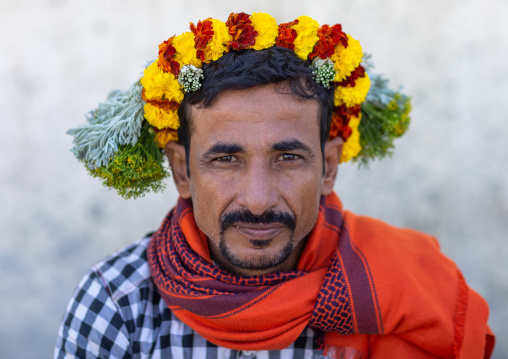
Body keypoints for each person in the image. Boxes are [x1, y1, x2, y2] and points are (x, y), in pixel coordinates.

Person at [57, 13, 495, 359]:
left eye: (287, 157)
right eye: (226, 159)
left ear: (328, 166)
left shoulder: (416, 291)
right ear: (182, 171)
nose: (259, 199)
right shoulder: (118, 303)